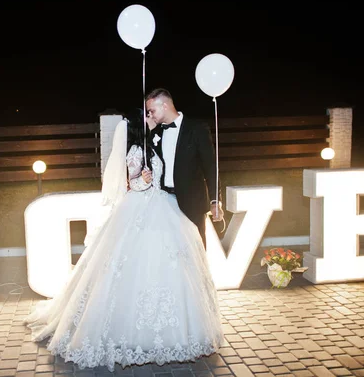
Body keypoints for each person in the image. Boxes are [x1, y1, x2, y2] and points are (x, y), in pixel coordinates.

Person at [24, 107, 224, 372]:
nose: (154, 118)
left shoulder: (153, 142)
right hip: (140, 210)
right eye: (149, 117)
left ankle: (178, 328)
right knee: (132, 267)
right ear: (138, 126)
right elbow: (132, 183)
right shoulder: (135, 151)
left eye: (153, 114)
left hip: (164, 206)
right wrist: (142, 179)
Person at [146, 88, 224, 249]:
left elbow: (210, 166)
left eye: (152, 110)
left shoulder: (197, 128)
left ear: (165, 106)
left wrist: (215, 200)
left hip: (192, 202)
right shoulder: (156, 132)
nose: (149, 115)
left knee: (196, 250)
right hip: (163, 201)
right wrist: (150, 132)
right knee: (166, 249)